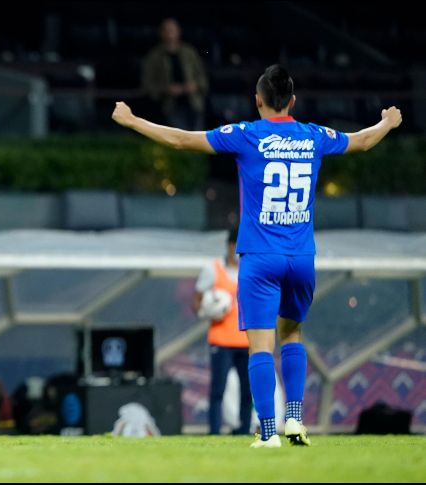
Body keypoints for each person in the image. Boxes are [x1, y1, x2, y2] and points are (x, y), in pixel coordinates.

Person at [112, 64, 402, 448]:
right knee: (293, 333)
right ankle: (295, 420)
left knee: (261, 345)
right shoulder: (314, 135)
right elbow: (363, 141)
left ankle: (268, 433)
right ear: (292, 102)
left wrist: (132, 121)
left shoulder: (246, 135)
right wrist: (387, 123)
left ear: (257, 100)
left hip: (260, 257)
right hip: (300, 257)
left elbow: (181, 140)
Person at [193, 227, 251, 436]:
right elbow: (197, 298)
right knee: (218, 389)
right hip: (221, 340)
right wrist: (207, 310)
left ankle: (243, 431)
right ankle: (214, 432)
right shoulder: (213, 269)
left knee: (248, 391)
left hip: (247, 339)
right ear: (229, 245)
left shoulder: (251, 269)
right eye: (235, 246)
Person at [141, 18, 208, 131]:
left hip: (194, 103)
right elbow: (148, 84)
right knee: (179, 137)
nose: (170, 34)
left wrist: (194, 86)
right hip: (170, 106)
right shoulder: (155, 57)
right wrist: (166, 89)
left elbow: (202, 77)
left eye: (172, 30)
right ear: (161, 33)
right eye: (166, 31)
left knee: (197, 137)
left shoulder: (189, 53)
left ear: (178, 31)